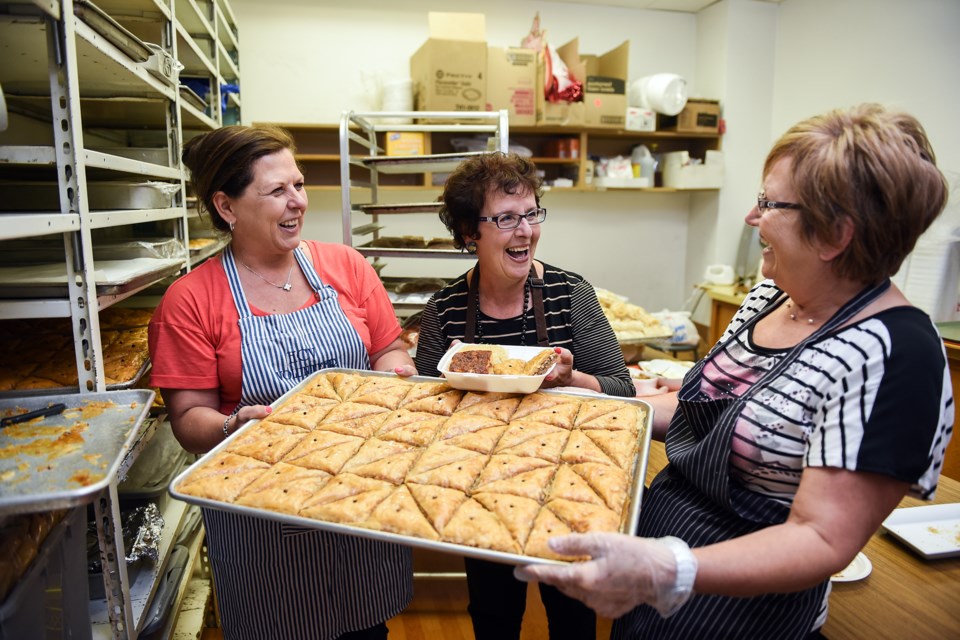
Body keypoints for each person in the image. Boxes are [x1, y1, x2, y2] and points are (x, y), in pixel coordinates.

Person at [515, 103, 954, 639]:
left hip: (744, 613)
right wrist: (589, 401)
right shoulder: (772, 294)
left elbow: (821, 538)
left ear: (835, 234)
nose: (751, 217)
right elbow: (707, 405)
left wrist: (668, 568)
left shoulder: (894, 353)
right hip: (658, 573)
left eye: (770, 203)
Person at [148, 125, 416, 640]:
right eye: (276, 191)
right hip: (260, 517)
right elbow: (187, 419)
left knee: (367, 629)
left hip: (357, 496)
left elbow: (388, 348)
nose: (296, 202)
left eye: (298, 185)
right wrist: (232, 427)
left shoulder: (345, 266)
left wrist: (394, 377)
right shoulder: (190, 300)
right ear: (226, 207)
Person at [415, 151, 635, 640]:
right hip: (482, 488)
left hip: (568, 485)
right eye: (507, 219)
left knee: (573, 618)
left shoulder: (569, 293)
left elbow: (622, 388)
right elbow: (425, 415)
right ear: (471, 232)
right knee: (494, 617)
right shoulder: (446, 309)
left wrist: (570, 380)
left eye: (532, 214)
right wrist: (454, 380)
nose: (526, 232)